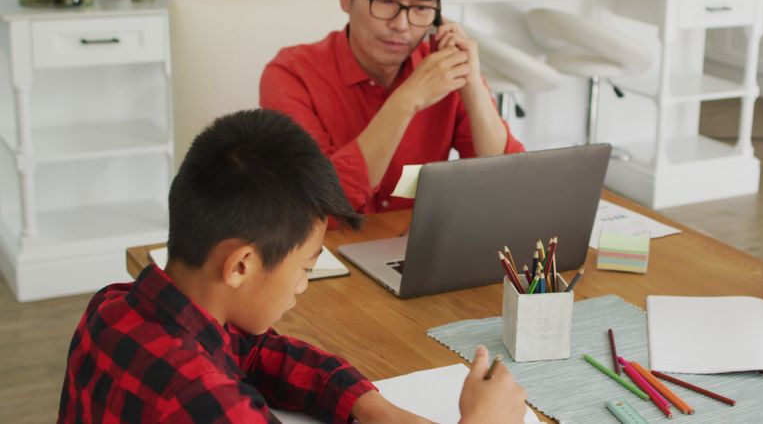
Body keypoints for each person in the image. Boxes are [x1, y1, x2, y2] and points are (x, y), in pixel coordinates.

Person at [58, 110, 527, 423]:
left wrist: (374, 409)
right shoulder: (212, 404)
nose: (304, 285)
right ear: (241, 265)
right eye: (306, 267)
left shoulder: (112, 306)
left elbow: (258, 354)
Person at [260, 0, 524, 215]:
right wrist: (406, 102)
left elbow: (507, 189)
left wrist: (474, 87)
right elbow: (320, 208)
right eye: (385, 1)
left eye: (423, 7)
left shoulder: (443, 69)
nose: (402, 25)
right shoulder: (291, 77)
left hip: (415, 252)